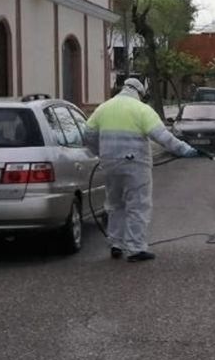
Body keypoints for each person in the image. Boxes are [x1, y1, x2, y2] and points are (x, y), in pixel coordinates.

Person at [84, 78, 202, 261]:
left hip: (109, 164)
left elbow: (88, 134)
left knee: (114, 204)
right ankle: (135, 248)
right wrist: (185, 150)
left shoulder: (103, 108)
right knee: (138, 206)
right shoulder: (142, 110)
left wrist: (101, 152)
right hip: (135, 165)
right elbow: (163, 137)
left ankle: (116, 244)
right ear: (140, 92)